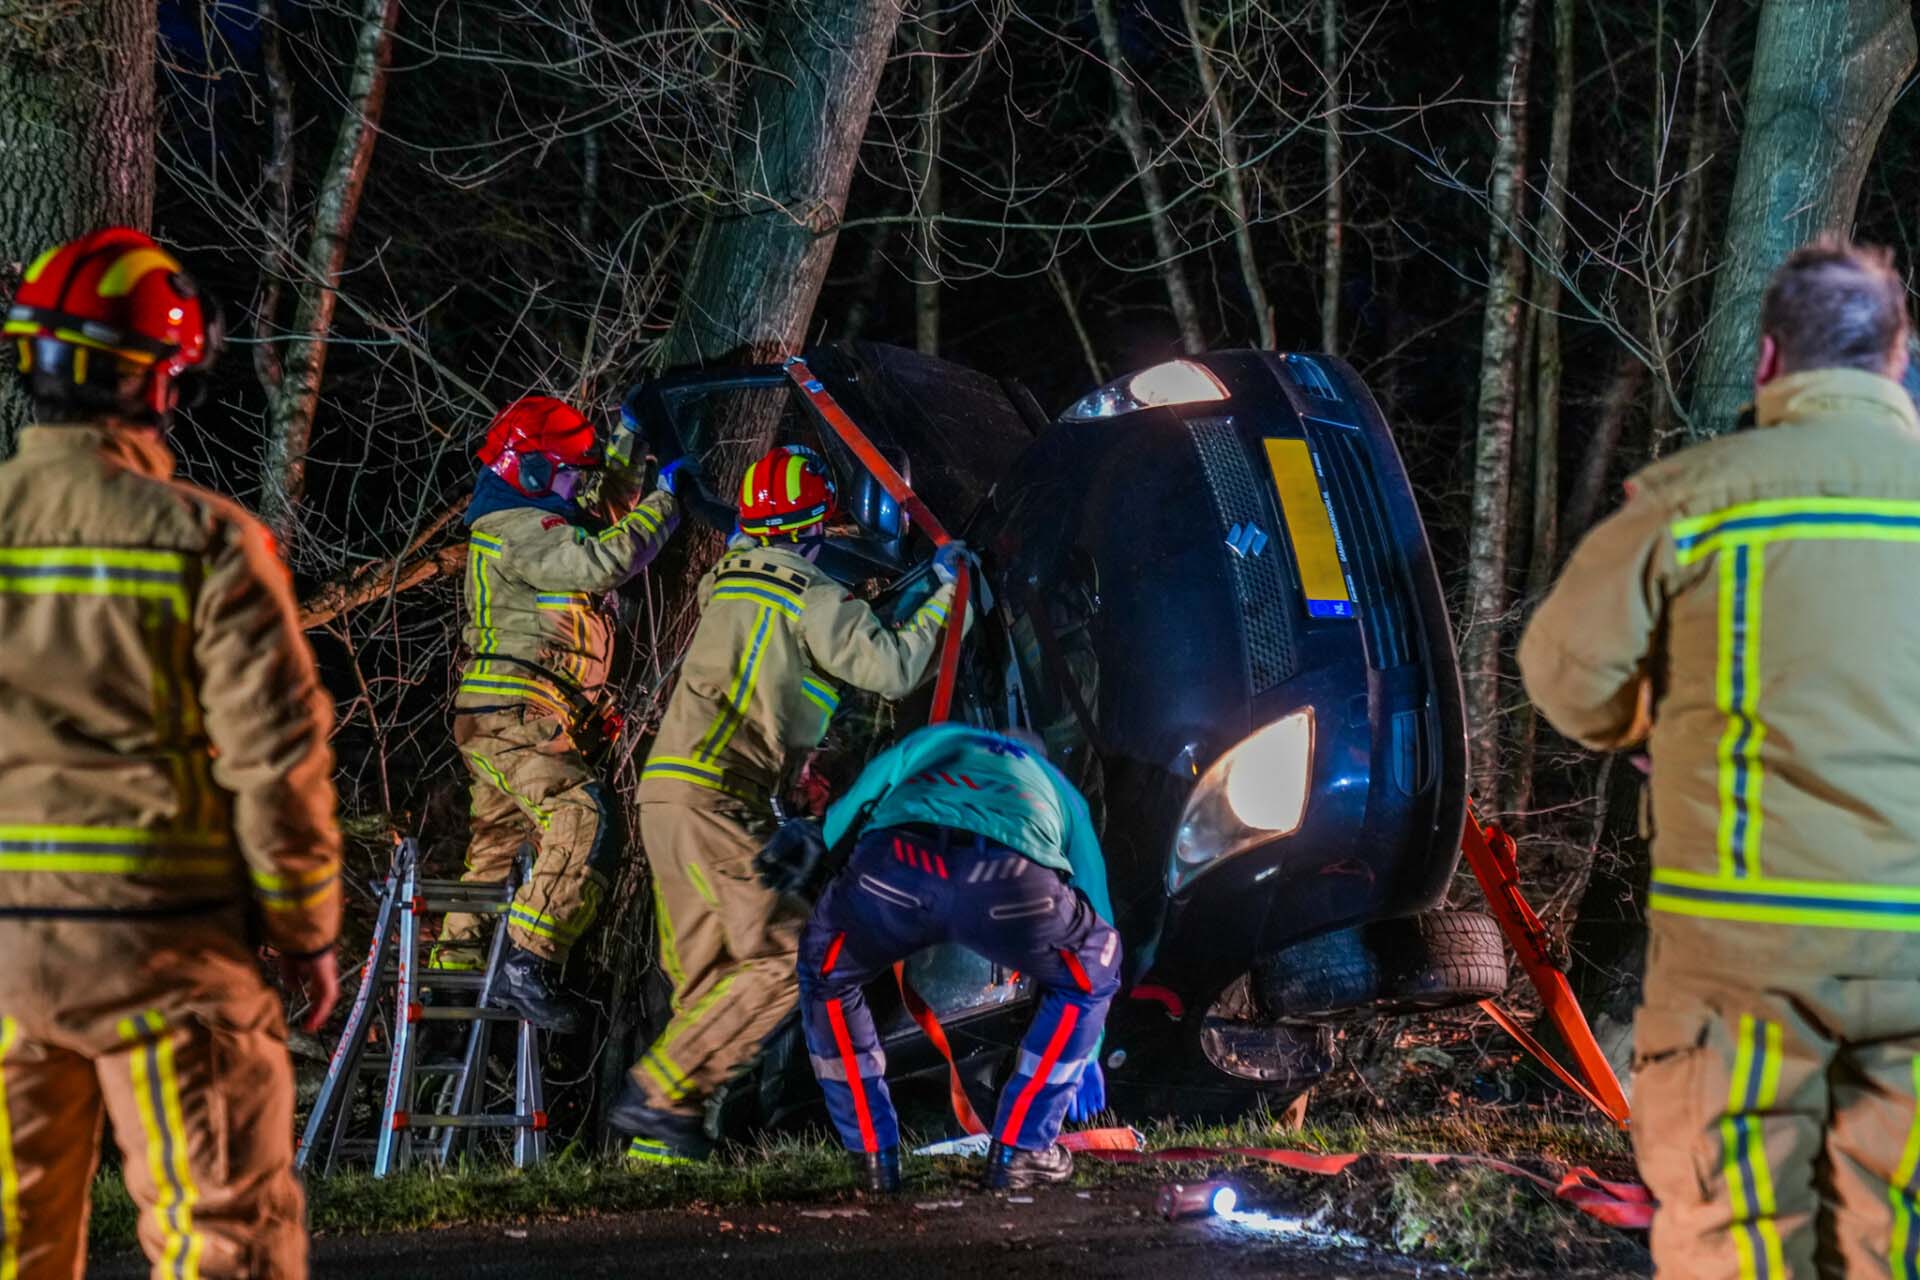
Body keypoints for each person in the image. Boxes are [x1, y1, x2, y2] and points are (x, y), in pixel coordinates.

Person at [1519, 237, 1920, 1278]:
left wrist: (1660, 721)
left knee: (1737, 1237)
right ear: (1897, 357)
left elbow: (1566, 678)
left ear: (1770, 361)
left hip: (1745, 942)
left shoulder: (1697, 497)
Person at [0, 227, 341, 1277]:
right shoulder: (206, 541)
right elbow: (274, 757)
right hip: (166, 949)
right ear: (161, 383)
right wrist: (303, 924)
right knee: (222, 1239)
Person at [608, 443, 969, 1163]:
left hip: (667, 797)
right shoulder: (810, 594)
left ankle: (660, 1160)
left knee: (708, 982)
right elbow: (893, 668)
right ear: (813, 527)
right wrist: (945, 591)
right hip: (718, 799)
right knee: (790, 954)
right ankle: (655, 1096)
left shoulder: (729, 585)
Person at [433, 395, 687, 1034]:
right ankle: (529, 962)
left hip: (506, 713)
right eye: (569, 473)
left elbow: (604, 510)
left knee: (495, 854)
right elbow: (604, 559)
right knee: (582, 817)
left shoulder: (536, 518)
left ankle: (449, 999)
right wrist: (669, 501)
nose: (579, 485)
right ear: (532, 470)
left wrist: (630, 439)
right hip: (514, 714)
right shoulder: (519, 530)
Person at [776, 722, 1117, 1193]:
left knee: (827, 975)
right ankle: (1023, 1149)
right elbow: (1097, 906)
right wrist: (1085, 1051)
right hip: (1010, 882)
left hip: (894, 867)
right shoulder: (1058, 786)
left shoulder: (941, 738)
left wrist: (826, 850)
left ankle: (872, 1159)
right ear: (1035, 759)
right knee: (1091, 971)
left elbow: (863, 794)